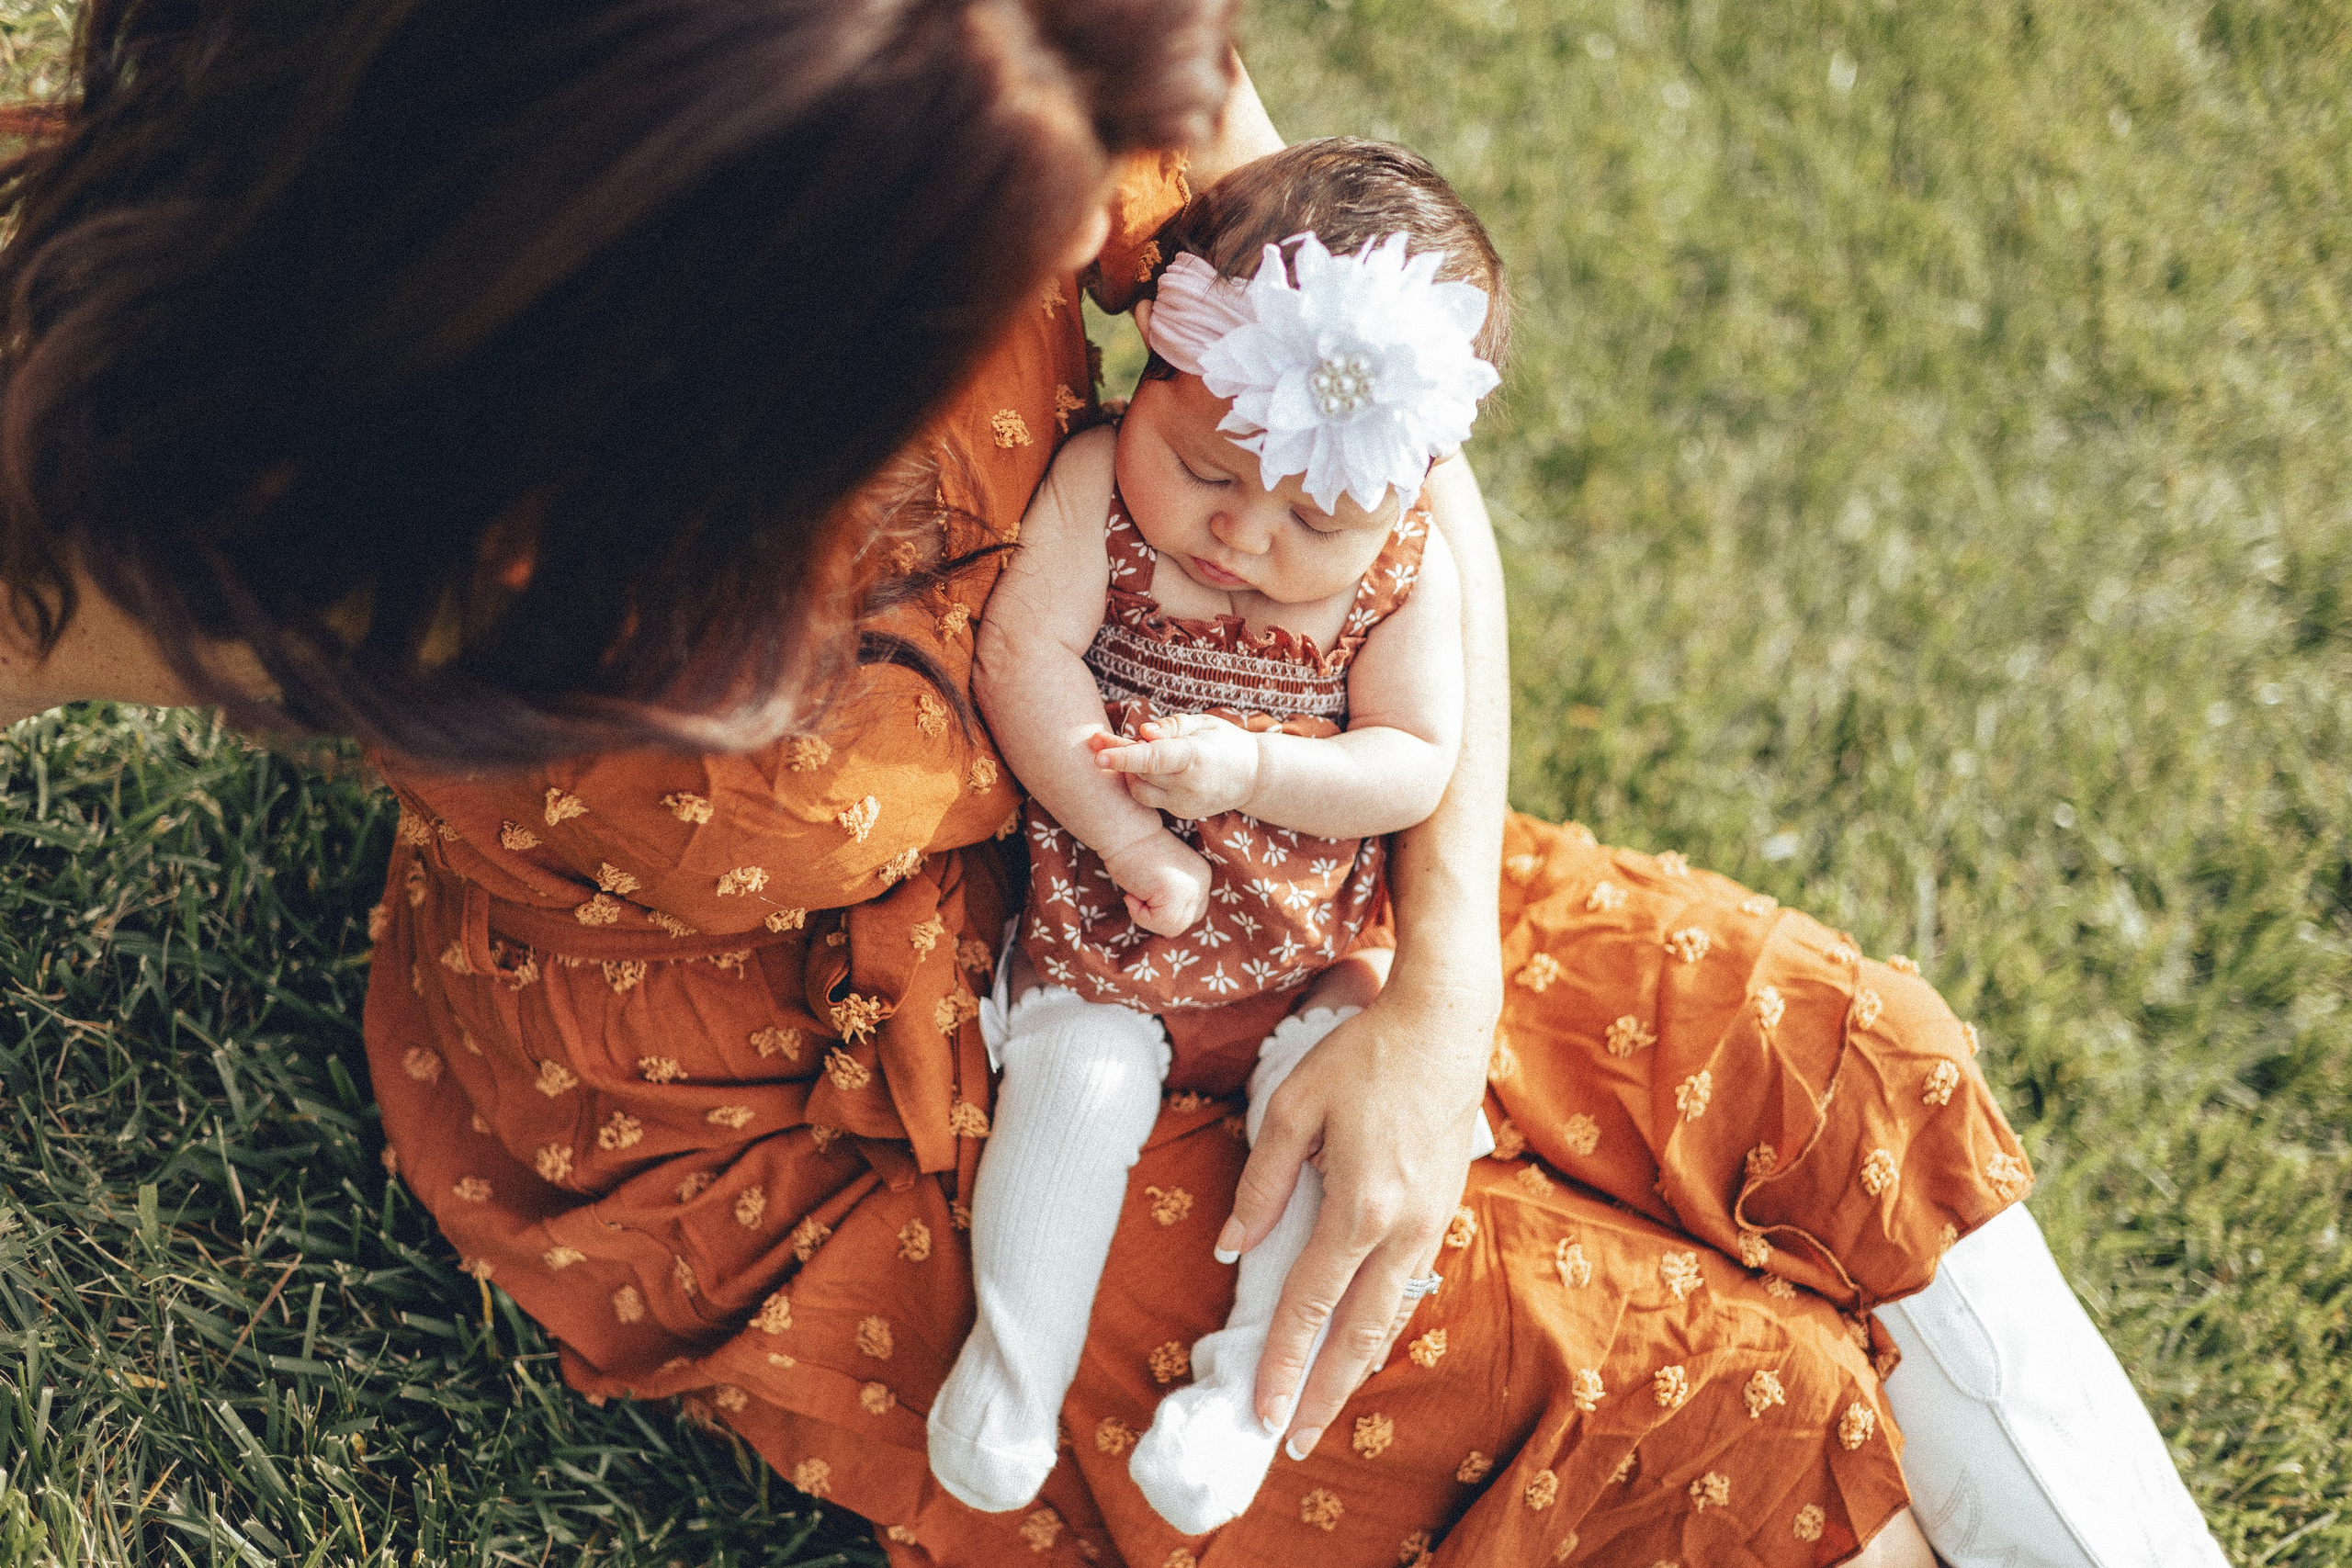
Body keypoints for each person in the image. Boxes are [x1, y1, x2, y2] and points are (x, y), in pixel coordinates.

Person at [0, 2, 2226, 1564]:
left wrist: (1435, 988)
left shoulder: (1016, 48)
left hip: (1230, 863)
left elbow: (1389, 459)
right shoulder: (217, 450)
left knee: (1826, 1058)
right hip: (785, 1108)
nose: (1115, 247)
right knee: (1656, 1404)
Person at [932, 141, 1497, 1530]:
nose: (1242, 536)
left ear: (1405, 496)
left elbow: (1413, 765)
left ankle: (1239, 1405)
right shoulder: (1092, 496)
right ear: (1146, 385)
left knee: (1338, 1127)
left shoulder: (1404, 575)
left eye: (1315, 517)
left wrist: (1252, 768)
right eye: (1202, 471)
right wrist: (1130, 843)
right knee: (1072, 1087)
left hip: (1313, 963)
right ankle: (1009, 1377)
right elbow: (1024, 663)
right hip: (1107, 932)